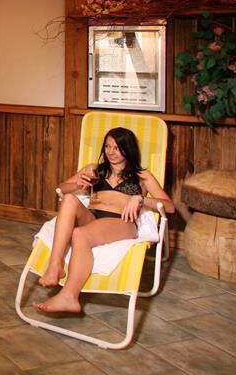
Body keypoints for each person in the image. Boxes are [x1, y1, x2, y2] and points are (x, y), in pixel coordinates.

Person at [34, 127, 174, 314]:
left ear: (128, 149)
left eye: (117, 148)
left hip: (121, 222)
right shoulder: (95, 170)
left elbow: (169, 206)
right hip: (93, 217)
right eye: (107, 147)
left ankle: (69, 296)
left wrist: (141, 199)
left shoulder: (142, 176)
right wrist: (77, 185)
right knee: (68, 200)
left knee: (79, 234)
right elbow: (61, 188)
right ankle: (55, 264)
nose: (111, 152)